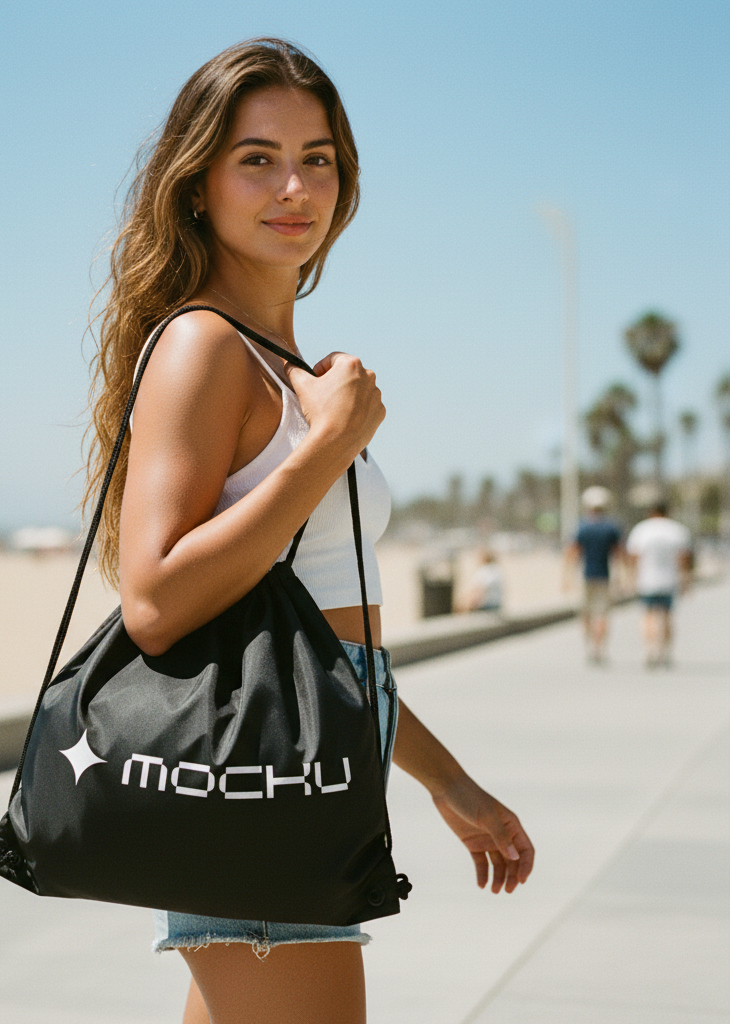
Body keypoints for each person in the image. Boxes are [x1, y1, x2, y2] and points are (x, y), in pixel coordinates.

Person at [84, 39, 534, 1023]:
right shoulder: (202, 346)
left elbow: (313, 641)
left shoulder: (279, 361)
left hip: (309, 768)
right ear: (195, 183)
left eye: (318, 157)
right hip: (261, 782)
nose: (295, 185)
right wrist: (324, 448)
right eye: (257, 158)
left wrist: (443, 779)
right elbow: (155, 603)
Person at [625, 501, 692, 668]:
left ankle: (650, 651)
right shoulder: (677, 530)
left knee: (648, 616)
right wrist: (685, 580)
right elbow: (683, 559)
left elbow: (634, 556)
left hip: (647, 580)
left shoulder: (642, 529)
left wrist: (631, 578)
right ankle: (666, 652)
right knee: (668, 616)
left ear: (651, 512)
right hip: (669, 580)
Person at [566, 486, 623, 664]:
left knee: (586, 614)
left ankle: (590, 646)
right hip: (604, 577)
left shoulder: (582, 527)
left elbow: (573, 553)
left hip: (586, 577)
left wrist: (566, 577)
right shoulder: (611, 528)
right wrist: (622, 577)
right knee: (602, 615)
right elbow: (618, 554)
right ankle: (599, 649)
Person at [463, 548, 503, 612]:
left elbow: (477, 590)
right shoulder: (498, 571)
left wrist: (467, 604)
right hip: (497, 605)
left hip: (486, 606)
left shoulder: (483, 571)